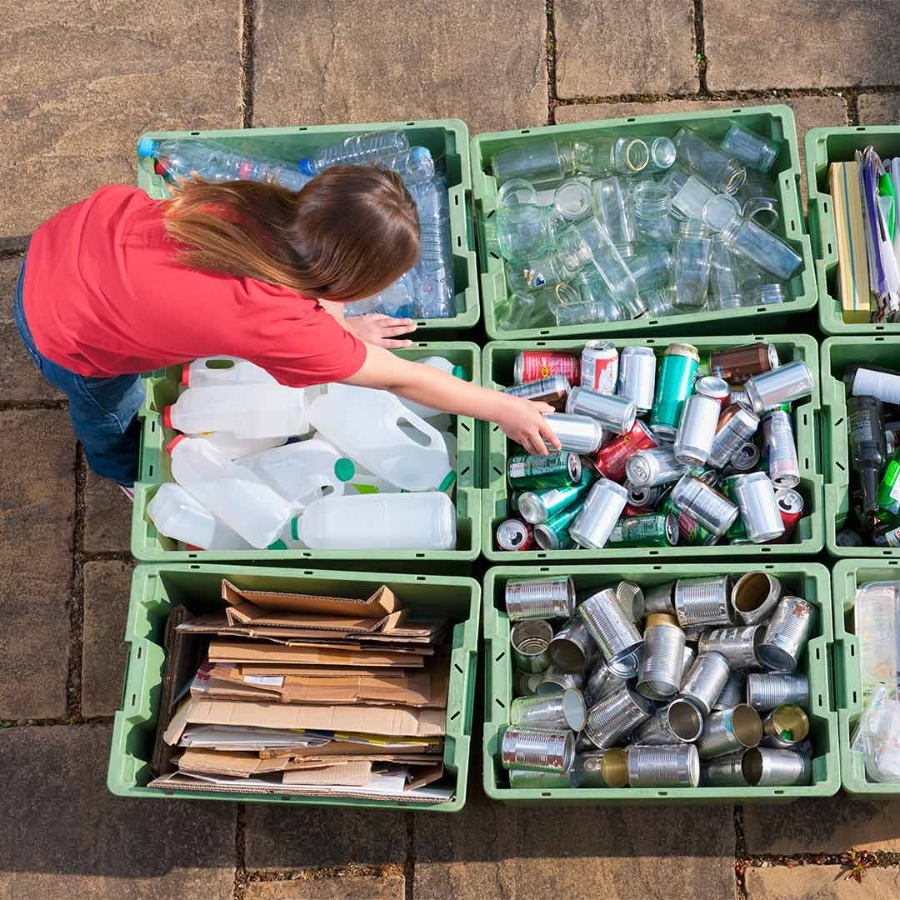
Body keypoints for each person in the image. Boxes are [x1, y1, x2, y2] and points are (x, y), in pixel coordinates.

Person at [15, 166, 560, 493]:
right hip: (64, 330)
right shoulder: (279, 321)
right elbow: (402, 381)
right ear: (347, 282)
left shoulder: (257, 204)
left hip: (68, 237)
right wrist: (503, 408)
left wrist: (344, 334)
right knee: (107, 407)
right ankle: (118, 470)